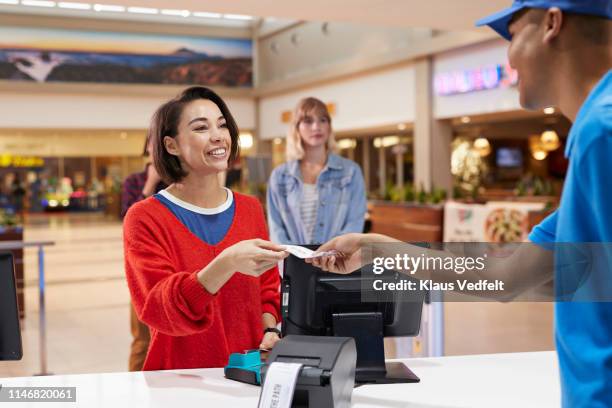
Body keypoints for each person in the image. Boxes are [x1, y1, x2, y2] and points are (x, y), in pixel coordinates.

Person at [311, 2, 612, 406]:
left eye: (513, 33)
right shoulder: (594, 134)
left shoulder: (602, 132)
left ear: (552, 24)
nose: (507, 55)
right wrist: (376, 248)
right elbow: (504, 277)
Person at [123, 86, 288, 370]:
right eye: (201, 127)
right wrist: (227, 262)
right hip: (181, 380)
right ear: (171, 145)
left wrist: (270, 329)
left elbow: (267, 288)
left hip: (248, 372)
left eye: (222, 125)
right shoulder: (145, 217)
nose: (218, 135)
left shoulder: (249, 208)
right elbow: (160, 309)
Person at [267, 97, 367, 245]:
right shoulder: (280, 176)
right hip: (294, 263)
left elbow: (355, 223)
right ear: (297, 128)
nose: (316, 127)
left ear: (329, 126)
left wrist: (331, 255)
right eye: (308, 121)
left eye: (323, 120)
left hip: (338, 262)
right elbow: (276, 229)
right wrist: (297, 258)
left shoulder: (351, 172)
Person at [121, 135, 167, 371]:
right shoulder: (134, 181)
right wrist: (150, 184)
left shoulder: (178, 182)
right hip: (143, 273)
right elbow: (128, 220)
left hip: (176, 267)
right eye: (153, 143)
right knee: (142, 339)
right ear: (147, 148)